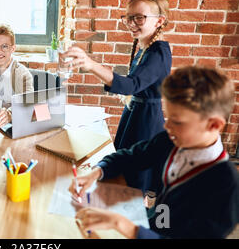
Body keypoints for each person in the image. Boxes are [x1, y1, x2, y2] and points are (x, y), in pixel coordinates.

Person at [69, 66, 239, 239]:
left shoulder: (226, 186)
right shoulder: (171, 141)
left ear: (214, 125)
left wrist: (127, 227)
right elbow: (131, 156)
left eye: (177, 122)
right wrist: (97, 171)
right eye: (168, 118)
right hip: (151, 226)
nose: (167, 126)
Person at [63, 0, 172, 192]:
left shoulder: (159, 51)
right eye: (129, 18)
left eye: (139, 17)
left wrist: (92, 65)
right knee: (124, 168)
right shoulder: (144, 46)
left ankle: (134, 214)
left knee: (136, 178)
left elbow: (132, 85)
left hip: (146, 121)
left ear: (159, 21)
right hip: (133, 114)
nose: (132, 23)